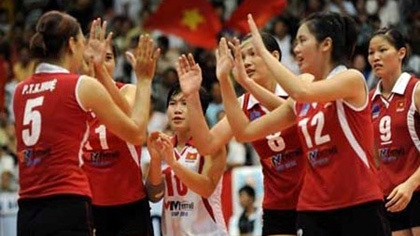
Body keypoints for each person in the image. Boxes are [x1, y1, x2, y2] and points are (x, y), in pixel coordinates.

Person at [217, 12, 391, 236]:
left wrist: (262, 51)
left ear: (326, 44)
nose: (296, 49)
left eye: (302, 41)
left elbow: (301, 91)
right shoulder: (301, 100)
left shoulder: (352, 80)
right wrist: (230, 81)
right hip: (313, 208)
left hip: (357, 203)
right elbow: (244, 132)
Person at [12, 11, 159, 236]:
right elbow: (137, 132)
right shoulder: (79, 87)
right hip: (70, 203)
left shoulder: (20, 91)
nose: (86, 52)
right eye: (83, 44)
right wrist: (146, 80)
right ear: (71, 44)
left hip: (29, 209)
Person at [177, 33, 305, 236]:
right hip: (278, 204)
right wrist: (192, 95)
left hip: (314, 197)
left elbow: (300, 116)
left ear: (274, 56)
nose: (246, 62)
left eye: (253, 54)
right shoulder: (244, 104)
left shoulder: (298, 90)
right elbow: (207, 145)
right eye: (242, 57)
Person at [81, 19, 157, 236]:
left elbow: (131, 120)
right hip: (90, 207)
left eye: (108, 58)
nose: (101, 63)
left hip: (131, 206)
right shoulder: (76, 99)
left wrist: (100, 71)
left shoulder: (129, 91)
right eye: (93, 59)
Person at [146, 83, 228, 236]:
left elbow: (206, 188)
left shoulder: (212, 145)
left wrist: (174, 164)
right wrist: (156, 160)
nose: (177, 110)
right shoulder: (163, 145)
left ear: (200, 111)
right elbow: (154, 196)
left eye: (185, 103)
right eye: (172, 103)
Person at [368, 27, 420, 236]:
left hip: (416, 190)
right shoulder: (369, 99)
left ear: (401, 53)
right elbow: (374, 156)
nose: (375, 57)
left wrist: (410, 184)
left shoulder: (415, 90)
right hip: (390, 197)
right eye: (371, 52)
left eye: (382, 50)